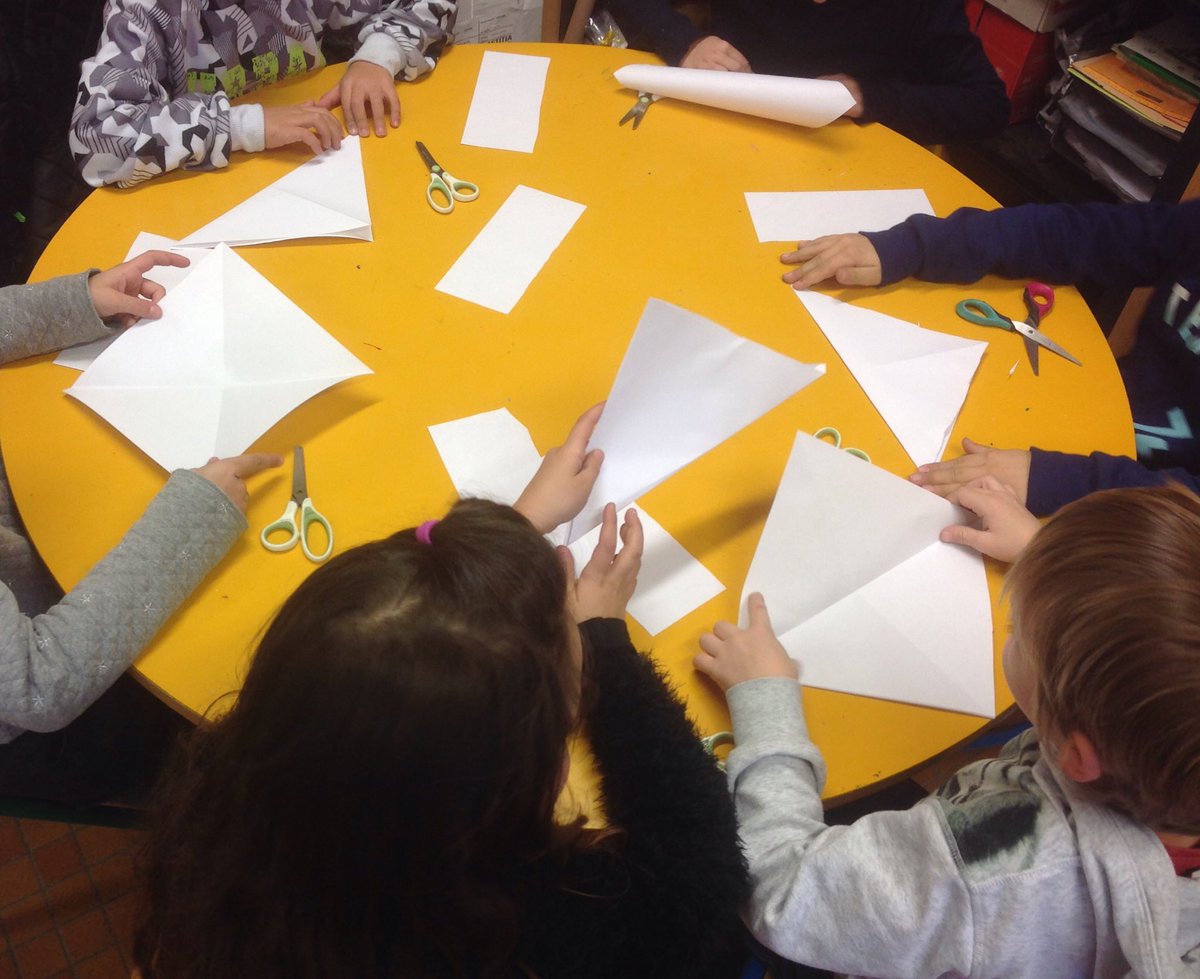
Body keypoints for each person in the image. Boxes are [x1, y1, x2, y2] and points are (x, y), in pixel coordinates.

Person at [134, 405, 750, 979]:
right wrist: (608, 645)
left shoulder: (232, 804)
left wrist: (511, 545)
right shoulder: (531, 919)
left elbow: (401, 658)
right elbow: (700, 883)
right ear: (548, 763)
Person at [694, 479, 1200, 977]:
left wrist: (764, 698)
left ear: (1078, 757)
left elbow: (782, 891)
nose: (1015, 629)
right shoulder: (1164, 757)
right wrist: (1047, 562)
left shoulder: (989, 867)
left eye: (1018, 629)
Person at [0, 250, 281, 804]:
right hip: (49, 715)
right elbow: (39, 685)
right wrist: (196, 518)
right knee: (243, 732)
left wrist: (72, 303)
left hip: (34, 532)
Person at [781, 199, 1200, 515]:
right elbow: (1081, 233)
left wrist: (1060, 483)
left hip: (1140, 526)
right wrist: (915, 246)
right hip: (1093, 416)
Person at [70, 0, 457, 188]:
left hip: (320, 174)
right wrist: (245, 125)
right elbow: (98, 139)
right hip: (204, 200)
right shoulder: (145, 9)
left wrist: (378, 54)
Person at [599, 0, 1008, 146]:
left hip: (845, 156)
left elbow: (986, 106)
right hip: (725, 127)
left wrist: (867, 96)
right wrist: (685, 43)